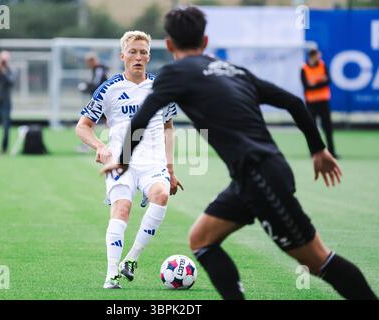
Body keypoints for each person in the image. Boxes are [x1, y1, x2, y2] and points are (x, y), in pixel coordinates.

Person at [102, 7, 377, 300]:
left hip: (262, 177)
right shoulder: (233, 70)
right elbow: (295, 102)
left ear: (169, 45)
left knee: (316, 260)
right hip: (251, 176)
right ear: (205, 42)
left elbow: (142, 119)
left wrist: (123, 160)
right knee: (201, 239)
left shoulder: (175, 74)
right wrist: (318, 149)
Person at [76, 30, 183, 289]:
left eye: (143, 52)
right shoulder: (109, 88)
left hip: (152, 162)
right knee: (122, 209)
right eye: (133, 52)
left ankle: (131, 260)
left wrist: (170, 168)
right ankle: (111, 274)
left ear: (149, 56)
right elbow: (82, 126)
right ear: (122, 55)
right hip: (120, 161)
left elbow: (168, 127)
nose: (138, 57)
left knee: (162, 195)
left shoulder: (161, 88)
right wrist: (100, 146)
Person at [301, 49, 338, 158]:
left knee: (328, 127)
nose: (319, 58)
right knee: (312, 128)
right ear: (312, 56)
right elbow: (306, 86)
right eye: (318, 56)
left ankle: (332, 152)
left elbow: (327, 81)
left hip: (323, 101)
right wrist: (320, 81)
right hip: (311, 102)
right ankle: (314, 152)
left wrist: (314, 83)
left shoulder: (322, 65)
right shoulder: (304, 68)